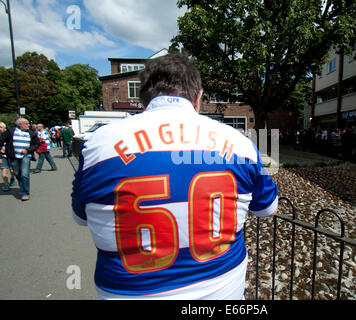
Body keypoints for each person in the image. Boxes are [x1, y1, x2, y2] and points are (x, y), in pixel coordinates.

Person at [71, 53, 279, 300]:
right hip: (222, 287)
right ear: (198, 97)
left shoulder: (97, 145)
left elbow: (80, 217)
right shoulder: (242, 145)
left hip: (127, 289)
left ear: (144, 98)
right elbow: (268, 208)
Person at [0, 118, 39, 201]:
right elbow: (1, 141)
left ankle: (24, 192)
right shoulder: (10, 132)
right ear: (20, 124)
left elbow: (36, 144)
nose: (28, 125)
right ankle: (22, 186)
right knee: (17, 173)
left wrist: (28, 150)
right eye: (26, 123)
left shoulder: (31, 133)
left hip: (26, 156)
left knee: (24, 174)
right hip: (14, 156)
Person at [0, 121, 15, 192]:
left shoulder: (10, 134)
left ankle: (12, 178)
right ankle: (6, 185)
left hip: (10, 155)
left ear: (4, 127)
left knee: (12, 170)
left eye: (0, 127)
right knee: (3, 170)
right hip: (2, 156)